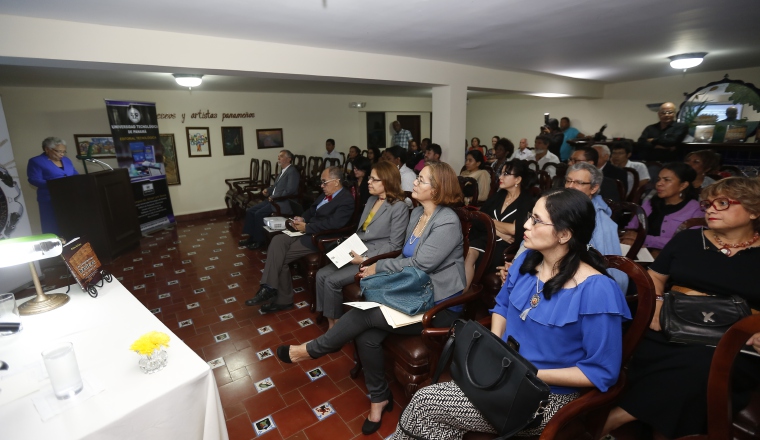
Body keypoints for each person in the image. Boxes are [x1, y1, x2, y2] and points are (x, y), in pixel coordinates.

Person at [395, 188, 631, 439]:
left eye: (537, 220)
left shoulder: (597, 291)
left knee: (425, 402)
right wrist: (497, 346)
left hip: (545, 395)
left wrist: (528, 373)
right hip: (505, 373)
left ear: (564, 234)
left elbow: (602, 371)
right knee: (432, 415)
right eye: (530, 216)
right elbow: (503, 306)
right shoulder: (528, 259)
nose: (526, 225)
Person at [275, 162, 466, 435]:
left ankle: (312, 350)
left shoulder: (447, 220)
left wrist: (378, 267)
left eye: (421, 180)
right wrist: (381, 268)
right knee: (367, 336)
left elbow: (422, 265)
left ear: (438, 190)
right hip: (411, 292)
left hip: (436, 303)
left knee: (364, 316)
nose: (414, 183)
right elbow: (404, 257)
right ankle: (380, 399)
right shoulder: (417, 214)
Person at [604, 177, 760, 439]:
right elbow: (654, 277)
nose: (710, 209)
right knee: (634, 340)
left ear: (754, 210)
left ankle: (613, 419)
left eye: (722, 203)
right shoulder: (688, 240)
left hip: (733, 340)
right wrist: (655, 304)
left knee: (703, 365)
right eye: (708, 203)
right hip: (673, 323)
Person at [245, 167, 354, 312]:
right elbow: (312, 210)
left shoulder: (346, 200)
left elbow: (334, 224)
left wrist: (307, 227)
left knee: (281, 259)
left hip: (320, 238)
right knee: (277, 240)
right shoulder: (326, 194)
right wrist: (303, 218)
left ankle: (281, 298)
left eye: (324, 182)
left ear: (336, 181)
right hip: (306, 231)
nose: (321, 186)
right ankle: (268, 287)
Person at [315, 161, 409, 329]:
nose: (368, 182)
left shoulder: (398, 207)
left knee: (331, 280)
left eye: (374, 179)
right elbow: (361, 231)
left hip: (373, 256)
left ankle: (335, 327)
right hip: (356, 247)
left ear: (387, 181)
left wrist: (364, 259)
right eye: (369, 178)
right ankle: (328, 318)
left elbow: (395, 245)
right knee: (321, 274)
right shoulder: (372, 199)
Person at [464, 159, 536, 292]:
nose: (500, 177)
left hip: (505, 247)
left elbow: (515, 230)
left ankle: (470, 296)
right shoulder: (499, 195)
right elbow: (480, 219)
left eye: (506, 174)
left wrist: (490, 221)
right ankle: (461, 298)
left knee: (482, 256)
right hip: (488, 238)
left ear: (518, 180)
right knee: (470, 252)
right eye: (501, 173)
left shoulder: (526, 201)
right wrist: (499, 232)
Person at [564, 162, 628, 292]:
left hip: (583, 283)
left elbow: (609, 267)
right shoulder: (564, 207)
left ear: (593, 188)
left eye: (578, 183)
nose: (570, 186)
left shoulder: (599, 220)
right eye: (568, 181)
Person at [623, 162, 702, 254]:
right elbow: (632, 227)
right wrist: (630, 237)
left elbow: (688, 242)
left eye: (666, 180)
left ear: (683, 185)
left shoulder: (696, 209)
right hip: (641, 251)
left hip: (673, 256)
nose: (659, 184)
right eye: (659, 179)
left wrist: (643, 239)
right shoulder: (650, 202)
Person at [238, 150, 300, 250]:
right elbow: (276, 187)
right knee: (250, 211)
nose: (278, 158)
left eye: (281, 156)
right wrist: (268, 190)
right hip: (274, 200)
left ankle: (260, 240)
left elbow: (289, 191)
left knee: (259, 214)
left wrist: (274, 197)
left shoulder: (292, 172)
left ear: (289, 159)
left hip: (282, 202)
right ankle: (251, 237)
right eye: (278, 156)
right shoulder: (283, 170)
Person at [27, 137, 79, 235]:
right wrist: (55, 185)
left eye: (64, 151)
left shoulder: (67, 160)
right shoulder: (36, 161)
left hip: (70, 197)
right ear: (47, 149)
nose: (62, 154)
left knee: (71, 225)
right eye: (59, 151)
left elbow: (75, 174)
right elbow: (33, 179)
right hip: (49, 199)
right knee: (53, 226)